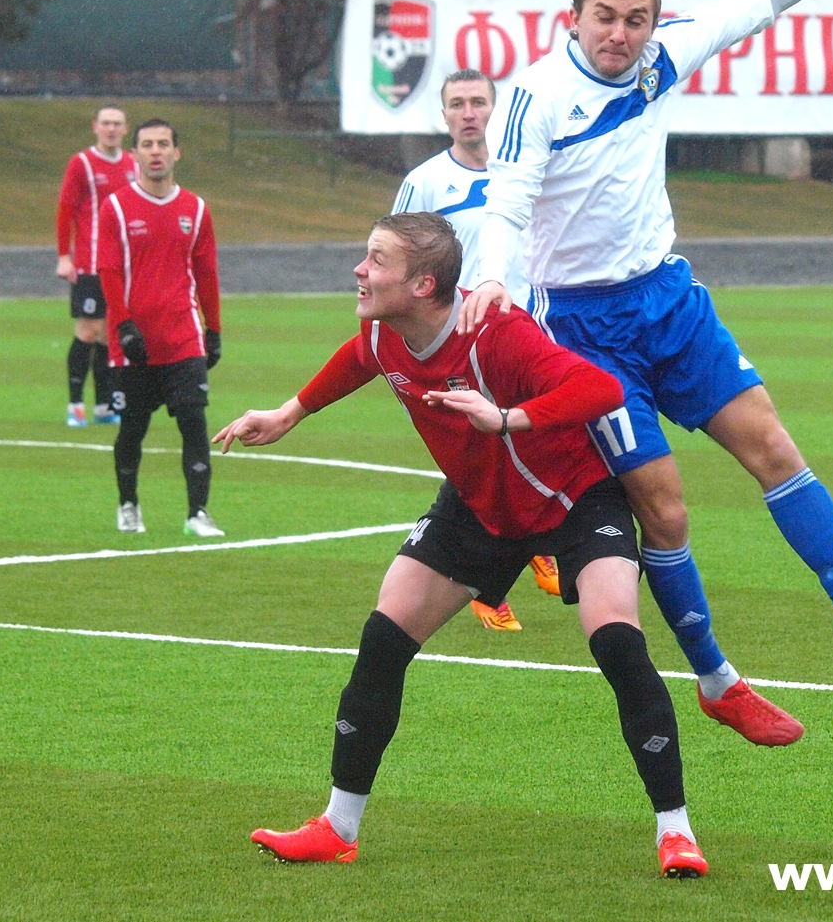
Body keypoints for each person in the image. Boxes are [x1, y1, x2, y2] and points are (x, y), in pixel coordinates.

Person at [458, 0, 833, 748]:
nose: (620, 34)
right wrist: (492, 276)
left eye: (635, 19)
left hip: (669, 301)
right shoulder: (535, 94)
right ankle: (718, 680)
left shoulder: (662, 56)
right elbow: (509, 198)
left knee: (774, 447)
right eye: (605, 17)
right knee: (667, 510)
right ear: (574, 18)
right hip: (582, 329)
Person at [217, 212, 708, 878]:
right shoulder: (384, 331)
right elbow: (359, 358)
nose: (360, 270)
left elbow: (600, 388)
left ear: (422, 285)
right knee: (383, 639)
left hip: (573, 498)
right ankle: (337, 827)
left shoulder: (494, 330)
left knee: (616, 640)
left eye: (376, 260)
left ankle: (675, 831)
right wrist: (289, 413)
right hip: (478, 506)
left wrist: (507, 418)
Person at [393, 69, 555, 631]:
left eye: (478, 102)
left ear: (496, 110)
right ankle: (499, 576)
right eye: (457, 104)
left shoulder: (527, 172)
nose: (469, 113)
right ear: (444, 115)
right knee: (477, 455)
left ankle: (506, 569)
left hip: (528, 329)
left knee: (535, 438)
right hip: (459, 341)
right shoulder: (425, 181)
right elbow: (396, 253)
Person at [97, 119, 224, 536]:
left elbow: (207, 273)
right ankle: (128, 505)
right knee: (132, 428)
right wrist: (123, 326)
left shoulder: (196, 209)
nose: (156, 151)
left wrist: (213, 329)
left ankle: (197, 513)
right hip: (134, 342)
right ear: (134, 154)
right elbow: (109, 270)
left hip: (183, 338)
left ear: (176, 152)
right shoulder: (116, 207)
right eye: (148, 144)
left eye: (163, 144)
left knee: (194, 422)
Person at [55, 105, 138, 427]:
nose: (111, 129)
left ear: (125, 129)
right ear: (95, 127)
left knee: (109, 335)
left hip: (122, 265)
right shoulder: (82, 163)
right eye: (106, 123)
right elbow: (66, 209)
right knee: (88, 330)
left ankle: (104, 405)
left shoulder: (133, 164)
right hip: (90, 263)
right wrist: (64, 256)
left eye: (117, 123)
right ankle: (75, 405)